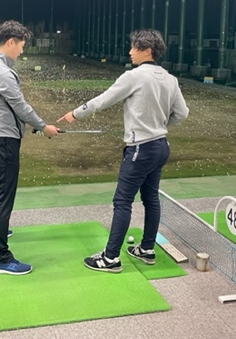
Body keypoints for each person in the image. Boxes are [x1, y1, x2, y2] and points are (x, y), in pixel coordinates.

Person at [58, 29, 189, 273]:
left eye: (134, 47)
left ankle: (110, 258)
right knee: (151, 198)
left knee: (122, 202)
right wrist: (159, 125)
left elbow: (104, 100)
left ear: (147, 50)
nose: (130, 52)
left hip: (141, 149)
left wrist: (75, 113)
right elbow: (182, 113)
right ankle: (146, 249)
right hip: (161, 146)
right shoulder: (170, 79)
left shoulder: (134, 76)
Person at [0, 20, 59, 275]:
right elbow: (21, 107)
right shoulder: (1, 72)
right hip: (3, 140)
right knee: (2, 195)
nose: (22, 51)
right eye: (21, 45)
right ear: (10, 42)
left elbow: (10, 108)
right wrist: (43, 127)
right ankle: (0, 258)